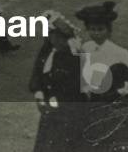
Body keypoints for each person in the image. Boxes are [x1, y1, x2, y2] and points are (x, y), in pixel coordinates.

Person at [74, 2, 128, 150]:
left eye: (100, 29)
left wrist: (118, 93)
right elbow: (83, 72)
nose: (96, 33)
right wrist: (85, 90)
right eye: (92, 29)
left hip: (114, 100)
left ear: (109, 30)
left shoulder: (120, 53)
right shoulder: (86, 48)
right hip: (93, 100)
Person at [28, 11, 83, 152]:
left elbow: (76, 88)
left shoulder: (74, 56)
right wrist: (39, 93)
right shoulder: (48, 49)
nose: (53, 39)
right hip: (50, 110)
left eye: (59, 37)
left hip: (67, 111)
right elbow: (38, 71)